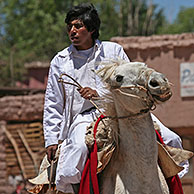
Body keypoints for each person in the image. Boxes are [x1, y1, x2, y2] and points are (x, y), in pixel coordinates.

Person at [43, 3, 189, 194]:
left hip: (124, 110)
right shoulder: (60, 61)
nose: (72, 31)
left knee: (172, 138)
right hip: (83, 119)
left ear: (92, 28)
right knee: (76, 153)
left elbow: (131, 85)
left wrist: (98, 93)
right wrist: (51, 139)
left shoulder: (113, 51)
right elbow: (53, 102)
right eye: (69, 26)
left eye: (78, 26)